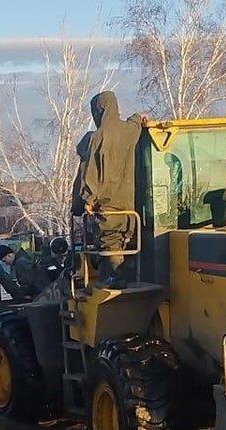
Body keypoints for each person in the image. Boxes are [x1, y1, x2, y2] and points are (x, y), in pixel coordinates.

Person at [75, 91, 144, 288]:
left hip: (108, 203)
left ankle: (116, 277)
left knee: (110, 239)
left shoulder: (97, 137)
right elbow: (136, 122)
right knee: (125, 237)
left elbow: (91, 172)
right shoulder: (130, 131)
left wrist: (88, 199)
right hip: (131, 202)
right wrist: (137, 118)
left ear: (99, 111)